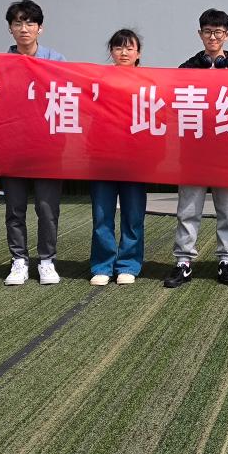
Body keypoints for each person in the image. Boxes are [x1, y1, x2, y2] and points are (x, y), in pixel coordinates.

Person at [164, 8, 228, 289]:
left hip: (227, 153)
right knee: (188, 210)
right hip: (193, 153)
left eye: (218, 32)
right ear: (199, 34)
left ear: (227, 35)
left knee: (227, 211)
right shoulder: (186, 69)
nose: (213, 37)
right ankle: (183, 261)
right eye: (208, 32)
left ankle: (226, 260)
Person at [2, 0, 67, 286]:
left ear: (40, 28)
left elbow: (68, 99)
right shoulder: (1, 65)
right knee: (15, 208)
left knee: (47, 208)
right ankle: (19, 260)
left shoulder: (56, 60)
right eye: (18, 23)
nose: (24, 28)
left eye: (30, 22)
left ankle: (46, 260)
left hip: (47, 147)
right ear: (10, 29)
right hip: (13, 145)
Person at [89, 29, 147, 286]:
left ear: (138, 53)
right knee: (102, 215)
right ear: (111, 52)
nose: (124, 53)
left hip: (135, 160)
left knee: (133, 215)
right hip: (102, 157)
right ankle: (102, 265)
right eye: (118, 48)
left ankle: (128, 265)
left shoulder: (148, 82)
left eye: (129, 48)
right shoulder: (99, 81)